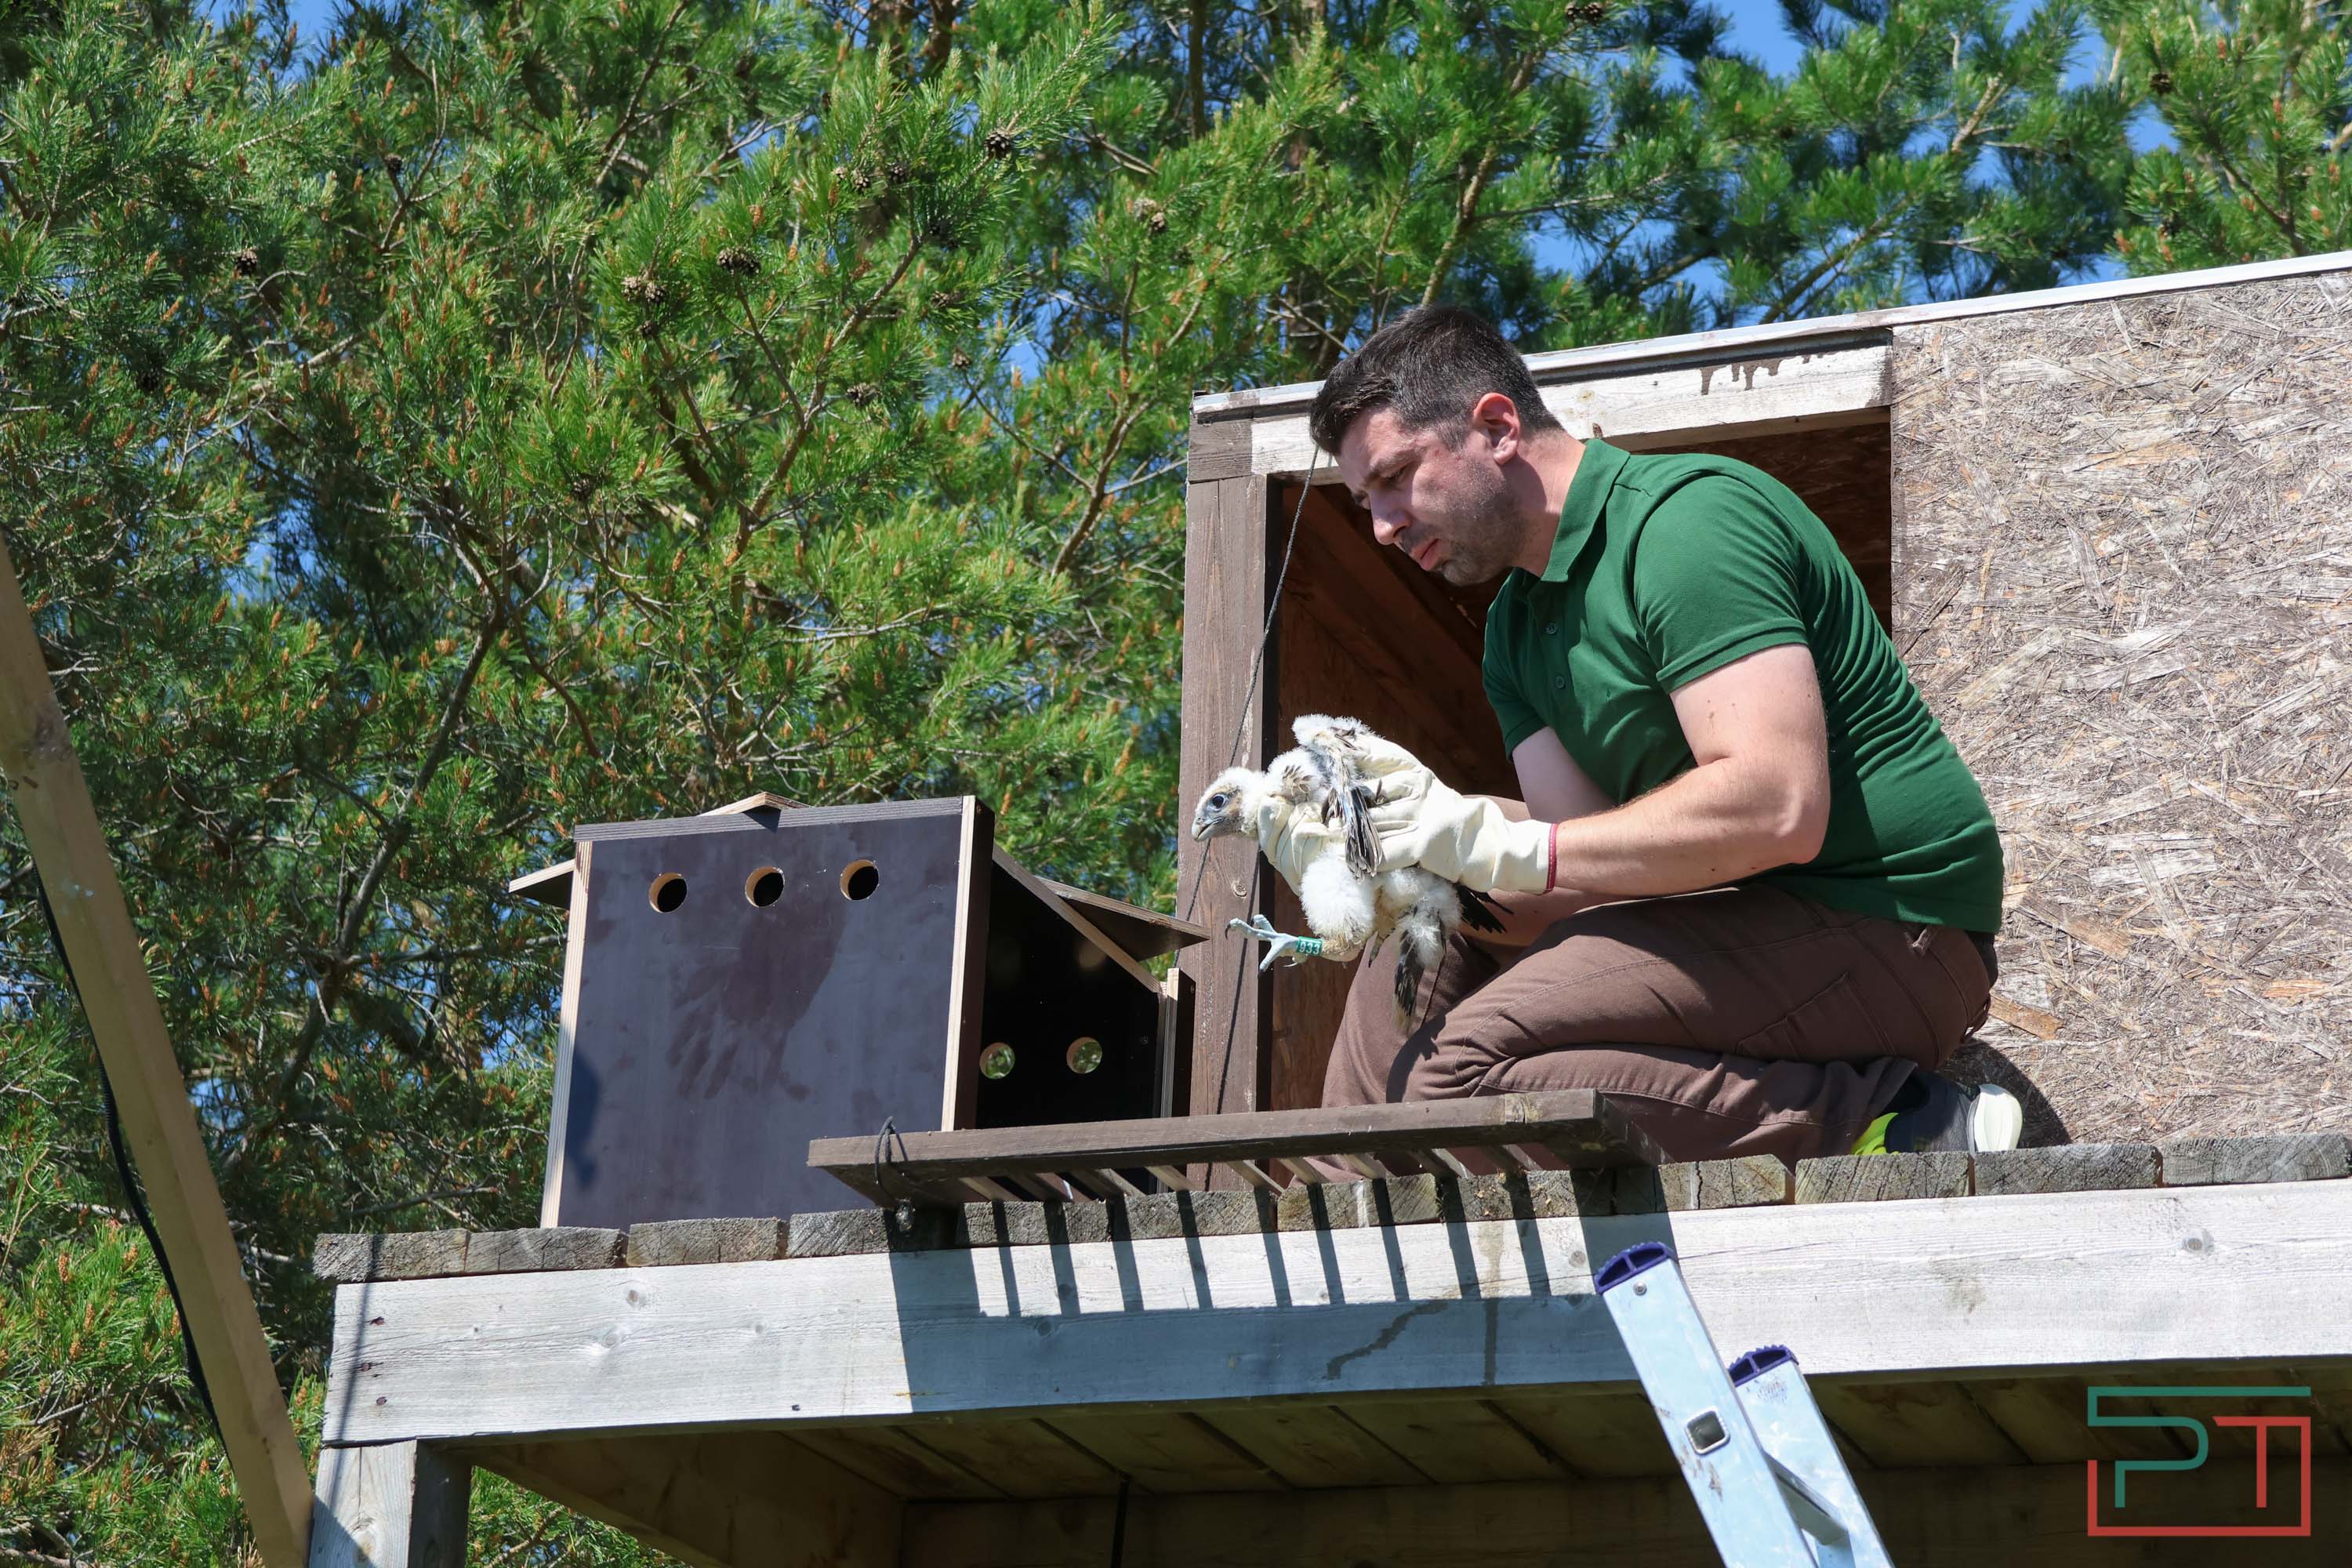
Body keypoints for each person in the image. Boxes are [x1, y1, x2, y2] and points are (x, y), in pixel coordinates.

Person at [1283, 305, 2021, 1163]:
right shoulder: (1514, 631)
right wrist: (1423, 843)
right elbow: (1579, 876)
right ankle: (1338, 1203)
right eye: (1366, 500)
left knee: (1455, 1083)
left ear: (1497, 427)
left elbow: (1776, 807)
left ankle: (1893, 1121)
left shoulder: (1685, 524)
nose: (1382, 524)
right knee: (1421, 922)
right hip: (1730, 924)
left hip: (1894, 931)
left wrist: (1490, 840)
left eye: (1395, 476)